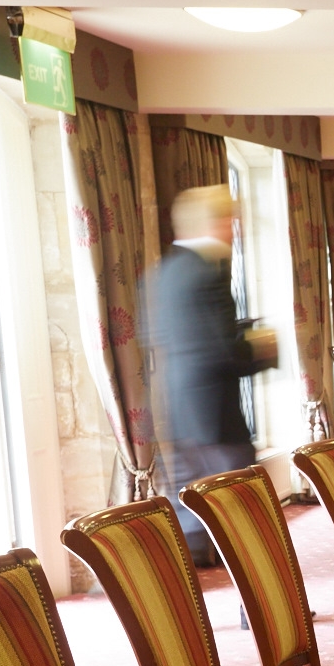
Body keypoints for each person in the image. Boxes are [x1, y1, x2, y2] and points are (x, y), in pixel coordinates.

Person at [146, 185, 277, 567]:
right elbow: (220, 352)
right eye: (231, 220)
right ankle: (261, 607)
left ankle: (180, 611)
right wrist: (262, 346)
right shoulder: (209, 272)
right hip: (217, 420)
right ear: (218, 223)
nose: (233, 230)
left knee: (190, 522)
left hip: (181, 415)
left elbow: (173, 337)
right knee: (246, 517)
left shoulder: (165, 273)